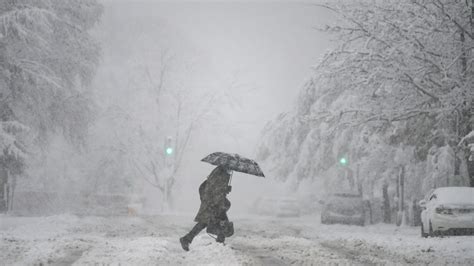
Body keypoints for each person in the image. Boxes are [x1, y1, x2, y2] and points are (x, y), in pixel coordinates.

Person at [179, 165, 233, 251]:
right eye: (231, 167)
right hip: (212, 204)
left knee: (204, 222)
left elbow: (217, 190)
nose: (232, 169)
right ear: (227, 166)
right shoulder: (219, 173)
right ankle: (220, 243)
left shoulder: (223, 173)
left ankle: (187, 239)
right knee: (218, 221)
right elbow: (214, 189)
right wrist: (224, 190)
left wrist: (225, 190)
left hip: (213, 203)